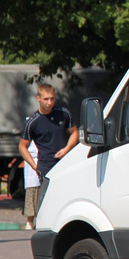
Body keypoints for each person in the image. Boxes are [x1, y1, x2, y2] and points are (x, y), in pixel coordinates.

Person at [18, 84, 78, 228]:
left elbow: (75, 132)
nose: (49, 102)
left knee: (67, 197)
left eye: (52, 99)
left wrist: (67, 149)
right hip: (46, 167)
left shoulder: (64, 114)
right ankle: (45, 227)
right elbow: (22, 146)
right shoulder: (33, 121)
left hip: (65, 164)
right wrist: (34, 166)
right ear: (38, 98)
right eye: (46, 99)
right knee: (46, 200)